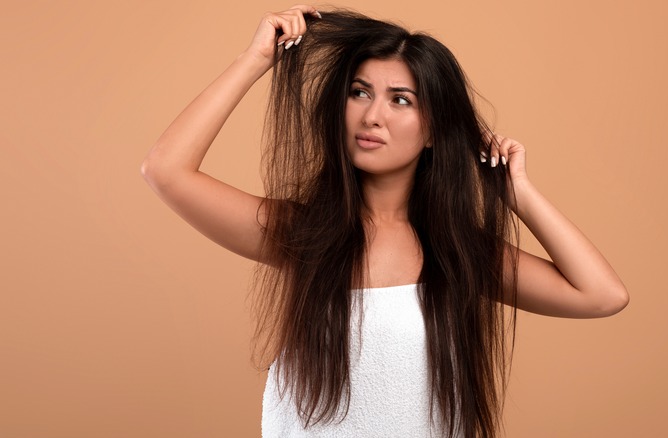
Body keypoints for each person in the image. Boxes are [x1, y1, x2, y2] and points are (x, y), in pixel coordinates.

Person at [141, 5, 629, 438]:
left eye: (401, 99)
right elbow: (165, 171)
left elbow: (602, 295)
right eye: (359, 93)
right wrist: (256, 60)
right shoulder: (302, 233)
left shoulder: (458, 251)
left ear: (434, 127)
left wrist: (515, 192)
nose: (372, 116)